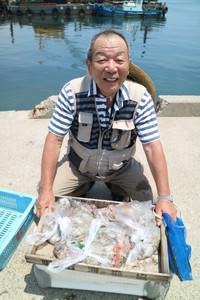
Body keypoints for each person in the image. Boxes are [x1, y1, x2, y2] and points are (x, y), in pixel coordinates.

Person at [36, 29, 176, 225]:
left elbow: (152, 146)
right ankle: (83, 185)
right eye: (102, 60)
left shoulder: (140, 97)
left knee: (147, 203)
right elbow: (55, 139)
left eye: (119, 60)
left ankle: (117, 189)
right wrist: (45, 190)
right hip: (79, 167)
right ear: (89, 65)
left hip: (121, 169)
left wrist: (165, 198)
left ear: (128, 65)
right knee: (48, 201)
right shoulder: (72, 92)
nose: (111, 68)